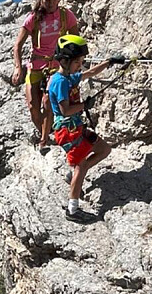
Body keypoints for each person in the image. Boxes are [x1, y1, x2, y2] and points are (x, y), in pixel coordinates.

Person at [48, 35, 124, 223]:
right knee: (81, 165)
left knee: (104, 149)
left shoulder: (69, 77)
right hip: (67, 130)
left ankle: (74, 176)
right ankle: (72, 210)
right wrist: (84, 105)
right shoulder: (59, 82)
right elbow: (65, 111)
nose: (80, 65)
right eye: (77, 62)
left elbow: (89, 73)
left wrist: (109, 62)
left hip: (76, 127)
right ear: (65, 61)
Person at [12, 0, 80, 150]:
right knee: (33, 107)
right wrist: (18, 68)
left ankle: (44, 139)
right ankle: (47, 129)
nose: (49, 2)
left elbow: (75, 40)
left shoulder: (66, 16)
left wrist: (72, 63)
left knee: (47, 101)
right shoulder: (33, 18)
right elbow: (17, 45)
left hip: (56, 65)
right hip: (35, 65)